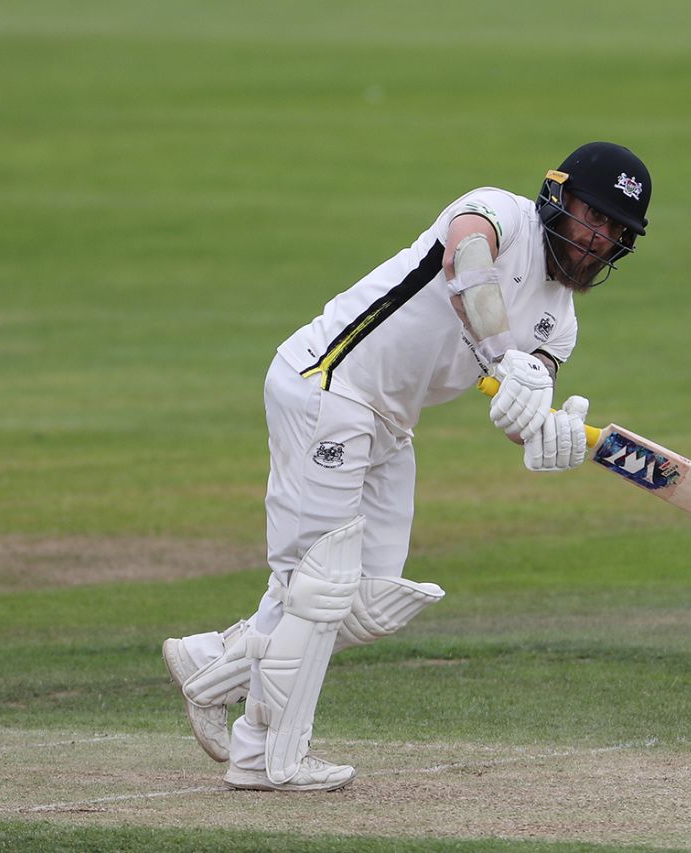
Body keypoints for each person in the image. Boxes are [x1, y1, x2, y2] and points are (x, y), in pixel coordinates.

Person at [163, 141, 653, 792]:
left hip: (390, 422)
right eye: (594, 216)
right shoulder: (496, 214)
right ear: (558, 198)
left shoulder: (558, 323)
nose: (599, 238)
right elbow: (464, 262)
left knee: (370, 598)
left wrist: (545, 431)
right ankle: (266, 753)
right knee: (321, 583)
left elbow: (521, 403)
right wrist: (502, 354)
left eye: (616, 230)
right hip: (328, 381)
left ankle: (213, 663)